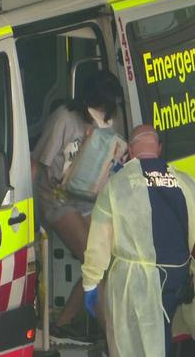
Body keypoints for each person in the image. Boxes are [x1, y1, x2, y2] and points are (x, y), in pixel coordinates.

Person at [81, 124, 195, 357]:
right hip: (177, 278)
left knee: (136, 345)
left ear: (131, 153)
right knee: (161, 332)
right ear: (159, 149)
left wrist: (90, 282)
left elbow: (99, 240)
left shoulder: (116, 186)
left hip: (135, 281)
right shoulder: (186, 182)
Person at [30, 70, 123, 341]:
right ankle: (74, 322)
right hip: (56, 198)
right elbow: (38, 165)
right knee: (92, 258)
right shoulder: (63, 119)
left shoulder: (108, 121)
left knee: (104, 260)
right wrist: (29, 212)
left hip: (89, 199)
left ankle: (89, 323)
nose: (105, 112)